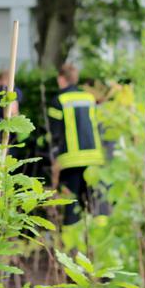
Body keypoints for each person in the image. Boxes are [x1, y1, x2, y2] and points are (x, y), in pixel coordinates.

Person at [46, 64, 105, 224]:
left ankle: (72, 245)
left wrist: (54, 157)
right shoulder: (89, 98)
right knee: (97, 202)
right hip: (94, 158)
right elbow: (99, 126)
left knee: (71, 203)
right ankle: (101, 239)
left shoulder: (59, 100)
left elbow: (54, 133)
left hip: (71, 160)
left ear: (61, 79)